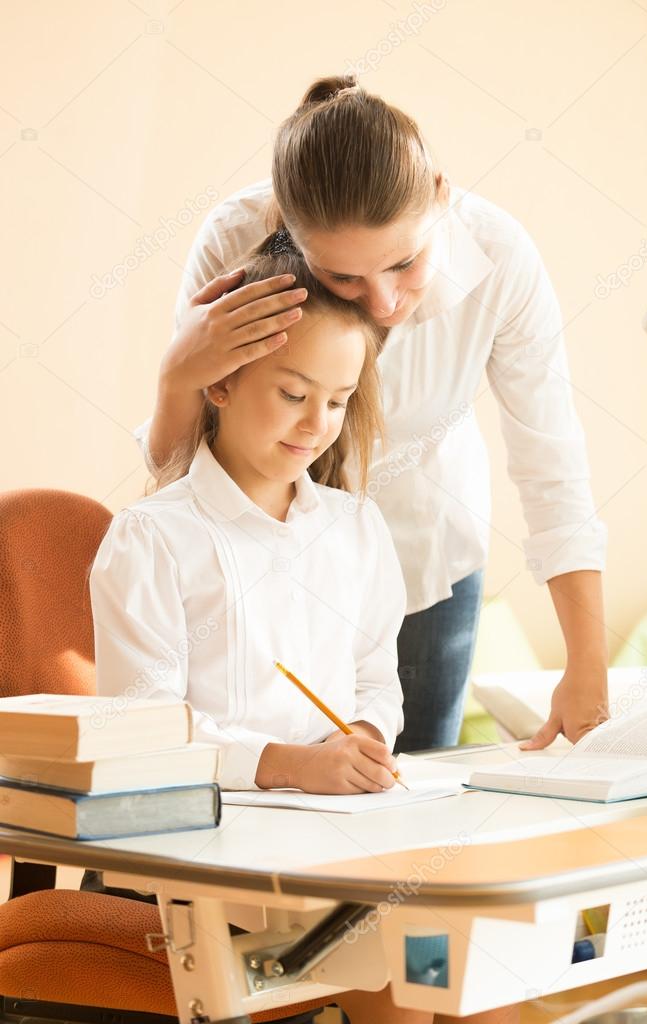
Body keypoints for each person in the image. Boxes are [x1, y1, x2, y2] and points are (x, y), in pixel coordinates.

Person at [139, 76, 609, 758]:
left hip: (422, 561)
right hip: (257, 560)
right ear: (294, 241)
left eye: (404, 263)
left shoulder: (502, 258)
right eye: (345, 279)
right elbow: (177, 468)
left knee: (407, 794)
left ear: (441, 197)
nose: (385, 301)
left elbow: (552, 464)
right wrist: (178, 372)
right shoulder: (236, 237)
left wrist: (587, 663)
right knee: (255, 786)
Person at [90, 233, 441, 1024]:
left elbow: (375, 676)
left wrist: (360, 730)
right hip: (210, 857)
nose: (317, 423)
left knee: (470, 962)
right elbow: (145, 739)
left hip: (338, 841)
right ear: (217, 384)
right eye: (292, 394)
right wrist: (286, 764)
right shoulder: (154, 540)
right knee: (408, 959)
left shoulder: (355, 528)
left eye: (339, 399)